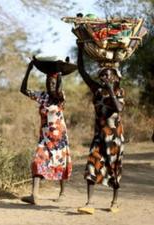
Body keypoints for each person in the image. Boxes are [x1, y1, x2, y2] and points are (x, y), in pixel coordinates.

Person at [76, 42, 125, 214]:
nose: (106, 78)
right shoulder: (96, 90)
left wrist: (111, 89)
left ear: (116, 77)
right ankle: (89, 203)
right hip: (99, 137)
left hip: (114, 139)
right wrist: (81, 50)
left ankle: (115, 202)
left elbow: (118, 108)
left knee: (114, 168)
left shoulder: (119, 91)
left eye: (109, 75)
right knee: (92, 165)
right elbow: (82, 71)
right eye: (103, 75)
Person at [20, 57, 73, 205]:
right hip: (44, 138)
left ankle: (62, 193)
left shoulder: (60, 98)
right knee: (37, 161)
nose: (51, 85)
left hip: (59, 138)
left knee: (61, 162)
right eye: (49, 82)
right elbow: (23, 90)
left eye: (53, 83)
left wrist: (60, 73)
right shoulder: (42, 96)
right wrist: (28, 70)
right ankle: (34, 195)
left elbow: (58, 90)